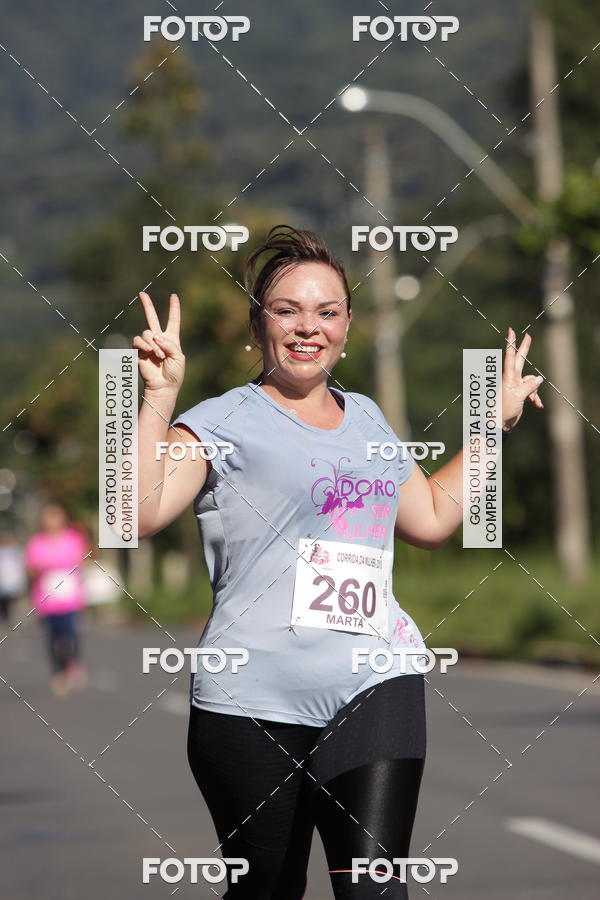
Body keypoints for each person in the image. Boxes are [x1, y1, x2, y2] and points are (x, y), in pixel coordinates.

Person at [134, 225, 543, 898]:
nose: (307, 327)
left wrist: (488, 423)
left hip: (376, 681)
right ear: (258, 323)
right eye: (287, 310)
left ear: (348, 325)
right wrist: (156, 399)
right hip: (249, 697)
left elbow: (434, 517)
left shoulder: (370, 420)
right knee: (268, 888)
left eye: (326, 312)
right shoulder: (219, 421)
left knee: (374, 888)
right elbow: (141, 513)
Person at [24, 502, 90, 696]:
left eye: (55, 516)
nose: (52, 521)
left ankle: (73, 662)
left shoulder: (73, 539)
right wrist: (40, 567)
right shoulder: (37, 542)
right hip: (47, 598)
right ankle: (58, 672)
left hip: (70, 596)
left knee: (70, 632)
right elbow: (30, 568)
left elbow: (83, 561)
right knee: (52, 636)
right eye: (48, 517)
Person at [0, 530, 27, 623]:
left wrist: (21, 584)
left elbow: (20, 568)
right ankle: (5, 616)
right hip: (3, 583)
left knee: (11, 600)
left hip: (12, 582)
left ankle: (8, 615)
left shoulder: (16, 552)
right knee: (4, 601)